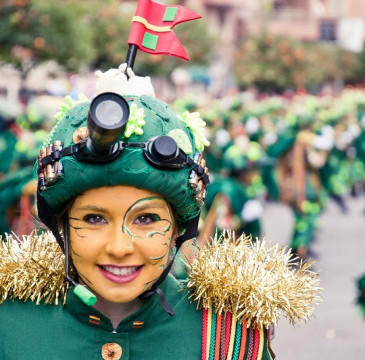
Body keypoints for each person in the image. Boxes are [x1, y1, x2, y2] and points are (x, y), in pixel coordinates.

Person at [0, 64, 321, 359]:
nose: (120, 248)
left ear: (179, 228)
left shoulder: (230, 338)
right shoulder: (10, 328)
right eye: (94, 218)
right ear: (61, 227)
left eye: (146, 219)